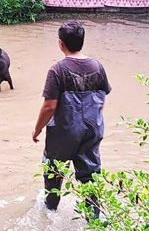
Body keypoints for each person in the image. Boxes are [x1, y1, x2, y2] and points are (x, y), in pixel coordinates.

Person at [32, 21, 111, 216]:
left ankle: (49, 212)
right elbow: (102, 97)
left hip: (65, 131)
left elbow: (50, 106)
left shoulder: (57, 70)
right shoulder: (97, 66)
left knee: (54, 171)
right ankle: (93, 218)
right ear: (82, 42)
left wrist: (37, 129)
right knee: (90, 175)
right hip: (92, 129)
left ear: (61, 44)